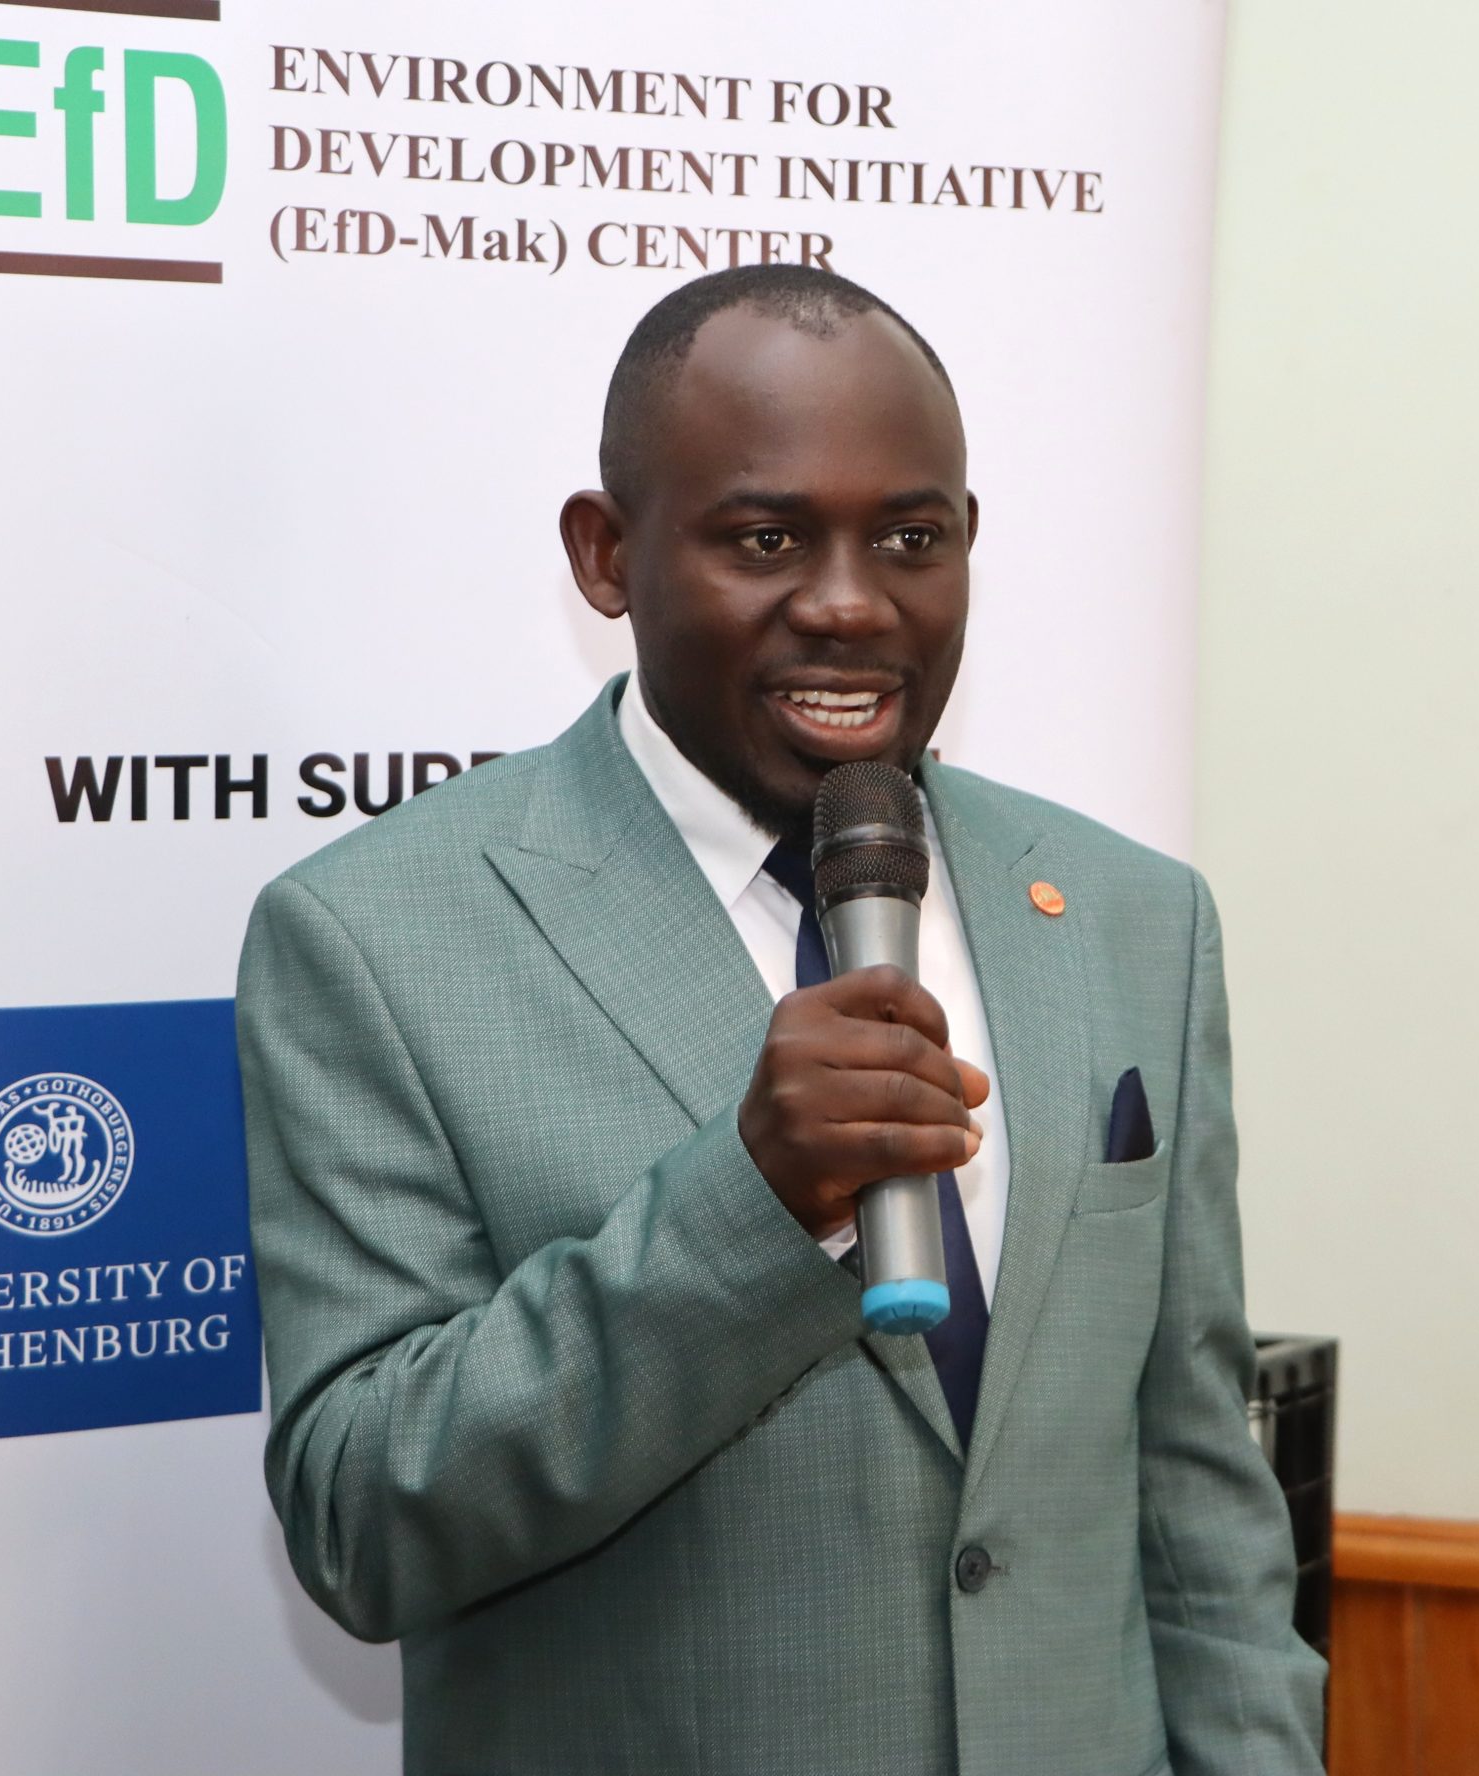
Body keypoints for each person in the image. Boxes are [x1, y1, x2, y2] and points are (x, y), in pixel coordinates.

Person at [237, 265, 1326, 1776]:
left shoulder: (1132, 915)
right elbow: (363, 1518)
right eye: (766, 539)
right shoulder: (375, 937)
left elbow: (1200, 1494)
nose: (850, 602)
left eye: (911, 539)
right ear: (607, 555)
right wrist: (749, 1208)